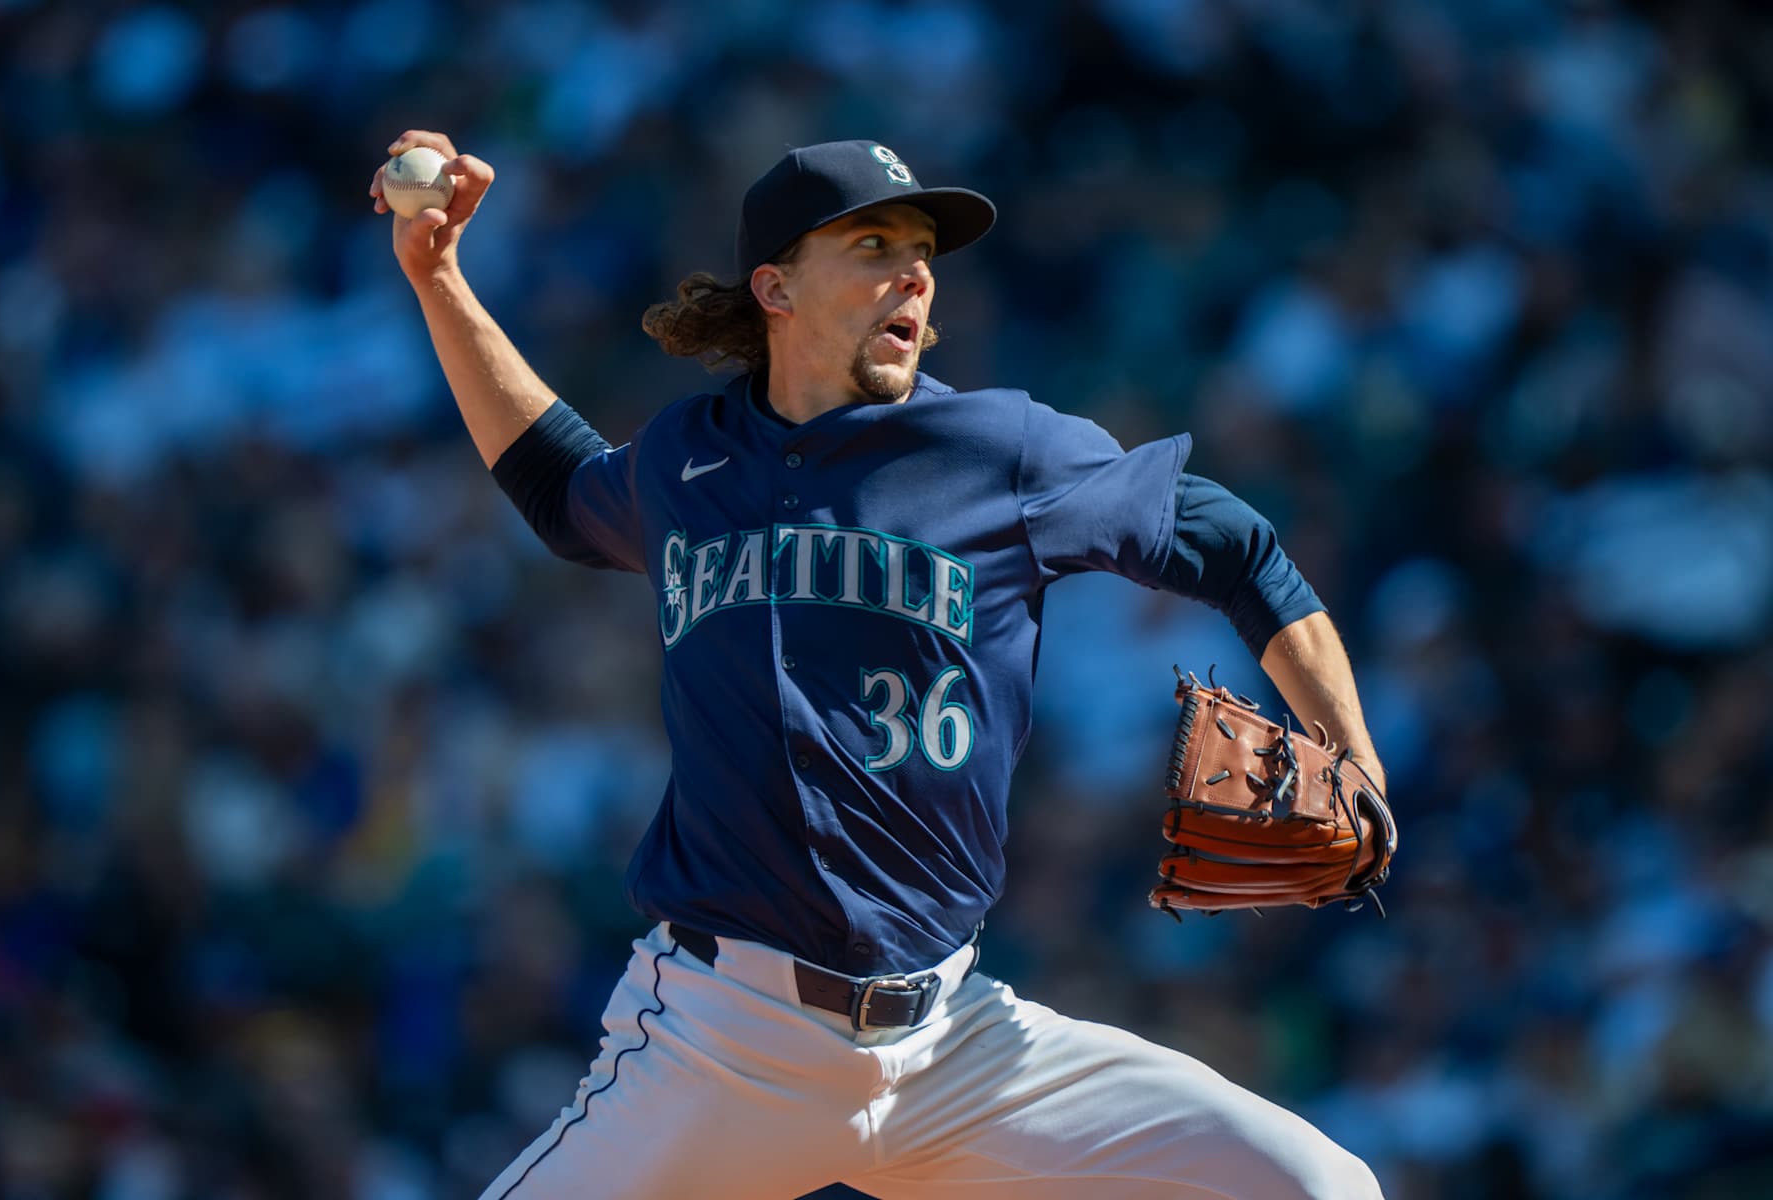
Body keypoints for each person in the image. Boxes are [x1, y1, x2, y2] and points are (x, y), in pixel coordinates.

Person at [372, 130, 1388, 1200]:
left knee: (1322, 1187)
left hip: (958, 1044)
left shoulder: (1003, 451)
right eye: (872, 243)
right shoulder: (688, 459)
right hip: (723, 1043)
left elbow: (1237, 548)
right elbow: (558, 489)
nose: (914, 272)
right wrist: (437, 279)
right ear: (776, 286)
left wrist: (1352, 747)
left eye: (921, 250)